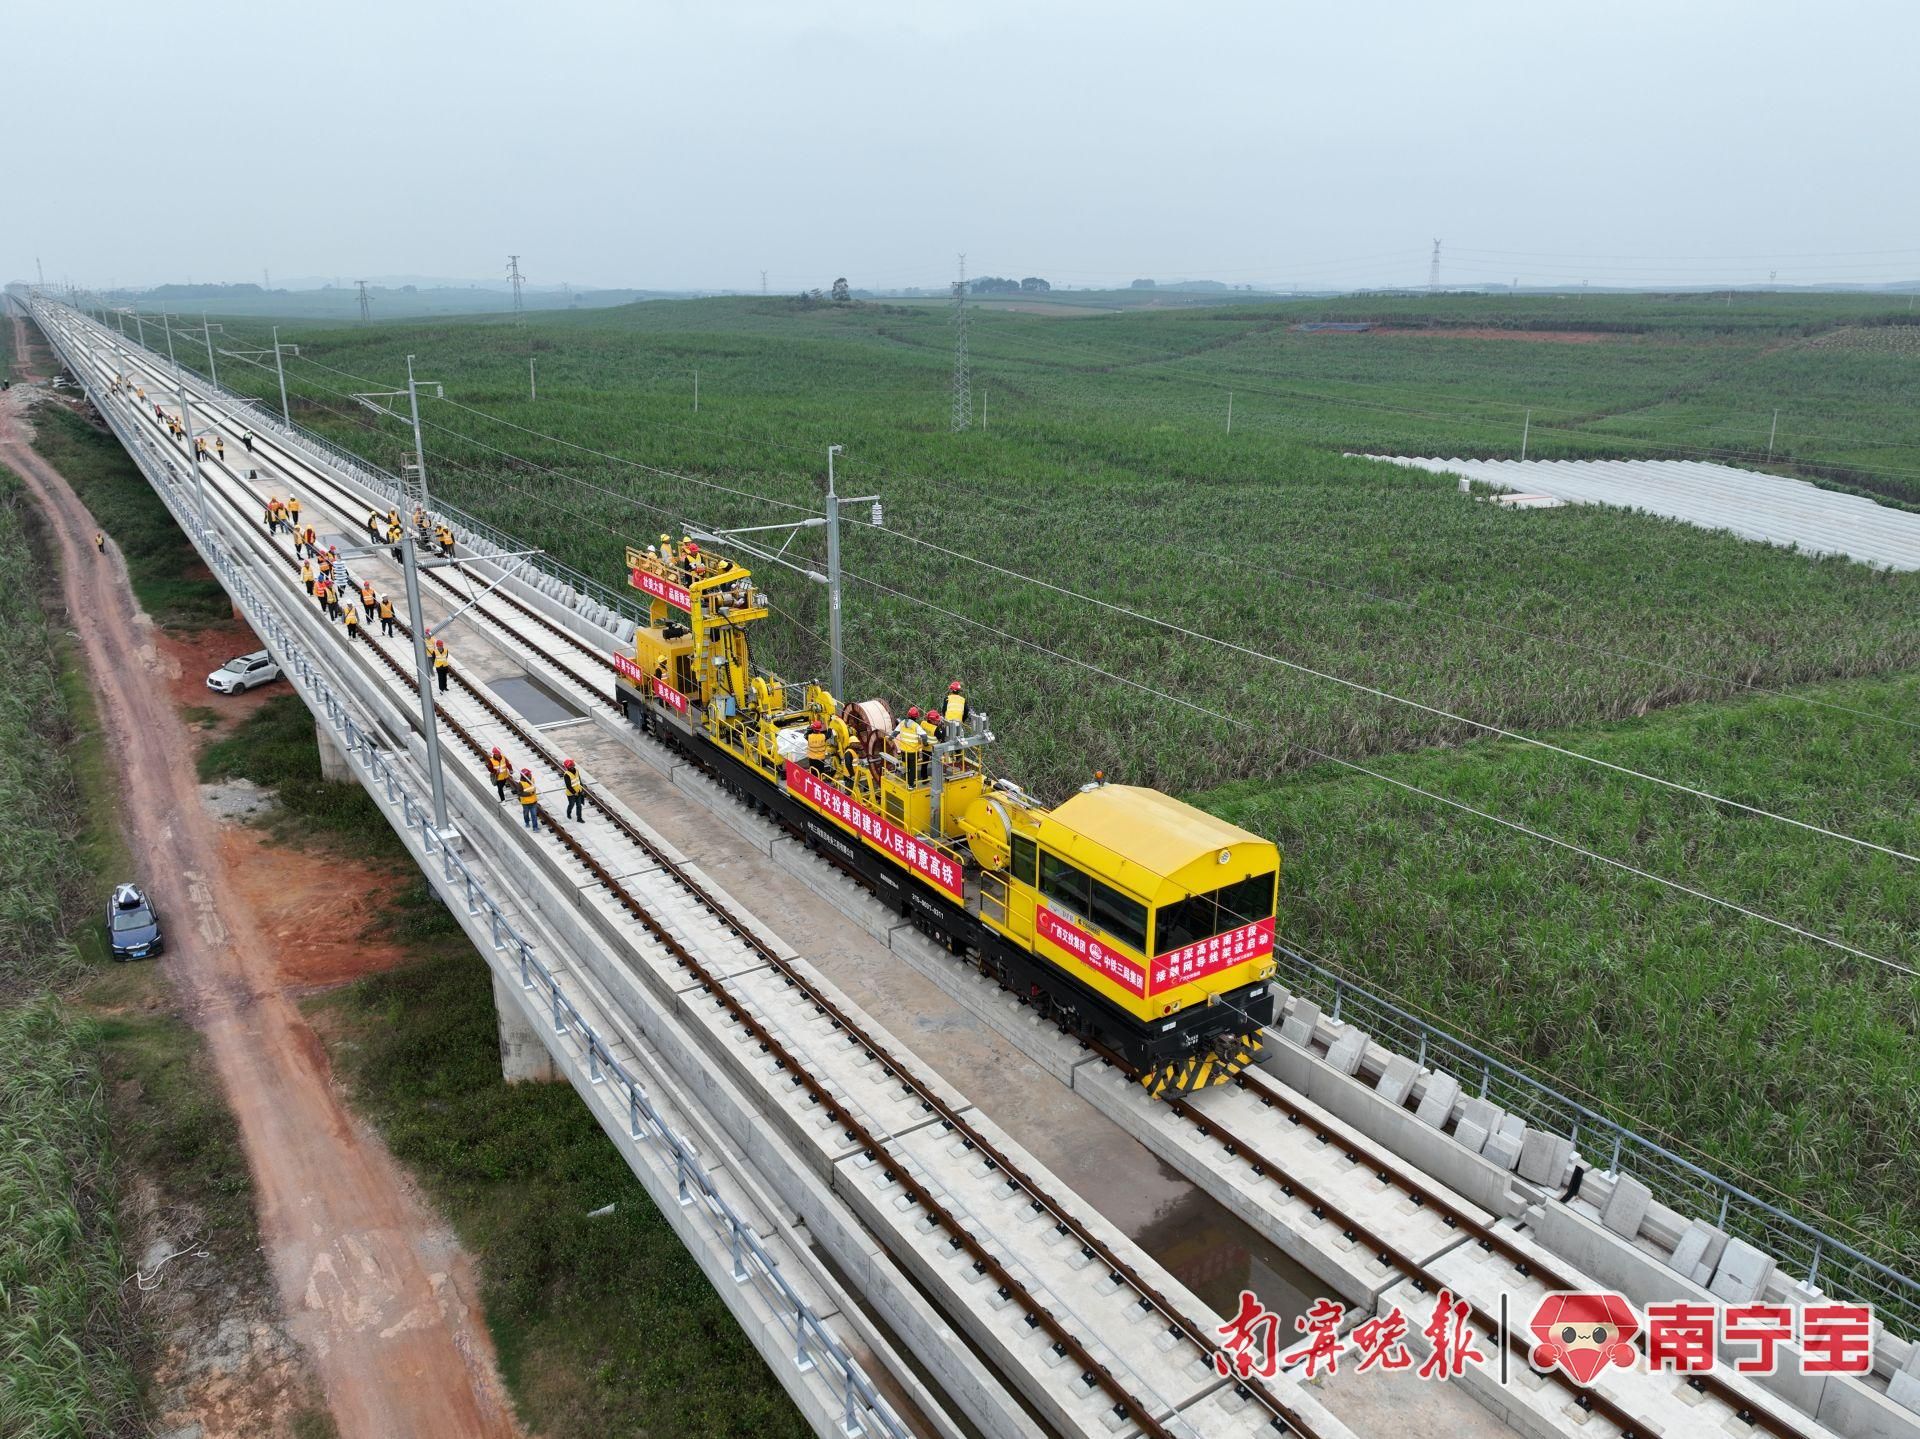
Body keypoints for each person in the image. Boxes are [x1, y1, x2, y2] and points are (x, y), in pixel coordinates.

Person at [895, 706, 925, 786]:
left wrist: (890, 738)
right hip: (913, 751)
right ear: (916, 717)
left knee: (906, 766)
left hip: (904, 751)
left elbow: (894, 733)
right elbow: (924, 736)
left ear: (908, 715)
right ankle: (911, 785)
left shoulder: (902, 723)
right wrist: (925, 743)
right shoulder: (916, 726)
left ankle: (906, 779)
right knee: (912, 768)